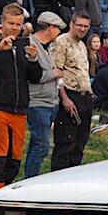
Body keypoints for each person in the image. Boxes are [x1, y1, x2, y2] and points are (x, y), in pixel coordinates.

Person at [0, 3, 42, 197]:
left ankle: (4, 193)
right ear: (1, 23)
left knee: (14, 160)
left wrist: (34, 61)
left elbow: (35, 78)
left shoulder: (23, 47)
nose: (14, 27)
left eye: (18, 24)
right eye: (10, 23)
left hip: (19, 110)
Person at [49, 13, 96, 171]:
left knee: (80, 142)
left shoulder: (82, 45)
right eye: (79, 25)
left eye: (85, 26)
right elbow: (57, 72)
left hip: (85, 95)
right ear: (71, 24)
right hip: (69, 94)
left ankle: (73, 173)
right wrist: (64, 98)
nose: (82, 29)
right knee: (66, 142)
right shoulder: (62, 42)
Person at [24, 12, 66, 177]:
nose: (59, 33)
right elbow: (34, 76)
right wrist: (54, 73)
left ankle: (30, 177)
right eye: (57, 29)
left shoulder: (45, 48)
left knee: (37, 144)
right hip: (38, 103)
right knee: (41, 146)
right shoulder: (32, 46)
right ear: (50, 28)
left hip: (49, 102)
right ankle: (30, 180)